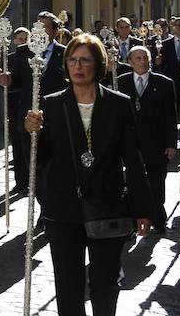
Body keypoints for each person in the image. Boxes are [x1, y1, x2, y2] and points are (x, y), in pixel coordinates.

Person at [24, 34, 153, 315]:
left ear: (98, 64)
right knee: (68, 287)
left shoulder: (119, 104)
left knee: (105, 284)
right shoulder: (51, 104)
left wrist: (143, 209)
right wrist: (32, 133)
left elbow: (133, 159)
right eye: (72, 60)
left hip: (108, 205)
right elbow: (41, 158)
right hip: (63, 209)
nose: (77, 66)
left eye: (85, 60)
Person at [0, 11, 67, 193]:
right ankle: (42, 204)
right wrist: (6, 80)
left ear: (55, 31)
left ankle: (47, 212)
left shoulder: (65, 54)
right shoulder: (23, 51)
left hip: (55, 120)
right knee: (34, 170)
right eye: (37, 26)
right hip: (28, 120)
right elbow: (16, 80)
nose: (38, 31)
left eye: (44, 27)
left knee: (54, 168)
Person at [118, 46, 177, 231]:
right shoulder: (120, 82)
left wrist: (171, 143)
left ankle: (157, 216)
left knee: (156, 180)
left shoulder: (164, 83)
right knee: (131, 181)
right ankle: (133, 218)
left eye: (145, 58)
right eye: (138, 58)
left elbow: (170, 116)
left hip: (156, 141)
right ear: (130, 62)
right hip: (130, 141)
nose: (142, 61)